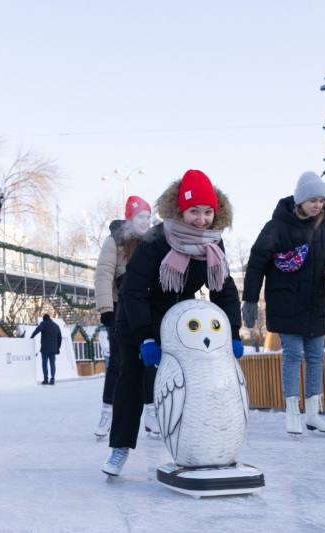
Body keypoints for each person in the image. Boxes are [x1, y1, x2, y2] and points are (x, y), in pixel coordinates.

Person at [103, 170, 244, 476]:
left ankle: (194, 441)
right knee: (131, 379)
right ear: (180, 211)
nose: (201, 220)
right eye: (194, 211)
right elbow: (133, 289)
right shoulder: (156, 240)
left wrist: (233, 332)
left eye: (208, 212)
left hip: (177, 322)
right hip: (136, 319)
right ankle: (120, 447)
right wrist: (145, 338)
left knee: (192, 379)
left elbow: (224, 290)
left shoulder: (213, 246)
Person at [242, 171, 325, 437]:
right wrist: (250, 298)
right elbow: (257, 261)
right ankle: (292, 413)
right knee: (294, 356)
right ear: (300, 200)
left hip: (315, 303)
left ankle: (313, 414)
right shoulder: (276, 227)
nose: (317, 205)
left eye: (321, 200)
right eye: (312, 200)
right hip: (285, 302)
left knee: (316, 358)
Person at [93, 196, 158, 440]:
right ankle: (107, 412)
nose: (145, 221)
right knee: (119, 363)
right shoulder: (116, 241)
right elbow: (103, 274)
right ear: (130, 219)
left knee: (150, 361)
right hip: (120, 309)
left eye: (148, 217)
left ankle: (151, 414)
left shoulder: (154, 241)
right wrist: (106, 309)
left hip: (145, 308)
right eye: (140, 216)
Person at [30, 313, 62, 385]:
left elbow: (38, 329)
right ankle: (52, 379)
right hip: (53, 349)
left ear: (44, 319)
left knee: (44, 364)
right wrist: (58, 347)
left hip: (45, 349)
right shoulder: (56, 326)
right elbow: (60, 338)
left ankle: (45, 379)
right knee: (52, 364)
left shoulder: (44, 323)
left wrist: (32, 336)